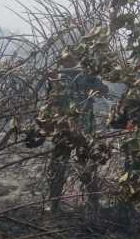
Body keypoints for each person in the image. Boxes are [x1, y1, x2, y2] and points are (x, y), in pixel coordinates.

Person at [45, 54, 108, 212]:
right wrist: (51, 80)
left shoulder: (86, 76)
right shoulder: (57, 78)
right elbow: (51, 100)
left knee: (86, 164)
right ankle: (53, 204)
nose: (69, 64)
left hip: (83, 129)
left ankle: (93, 202)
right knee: (59, 165)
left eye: (71, 61)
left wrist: (93, 77)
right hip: (65, 128)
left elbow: (103, 91)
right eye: (66, 61)